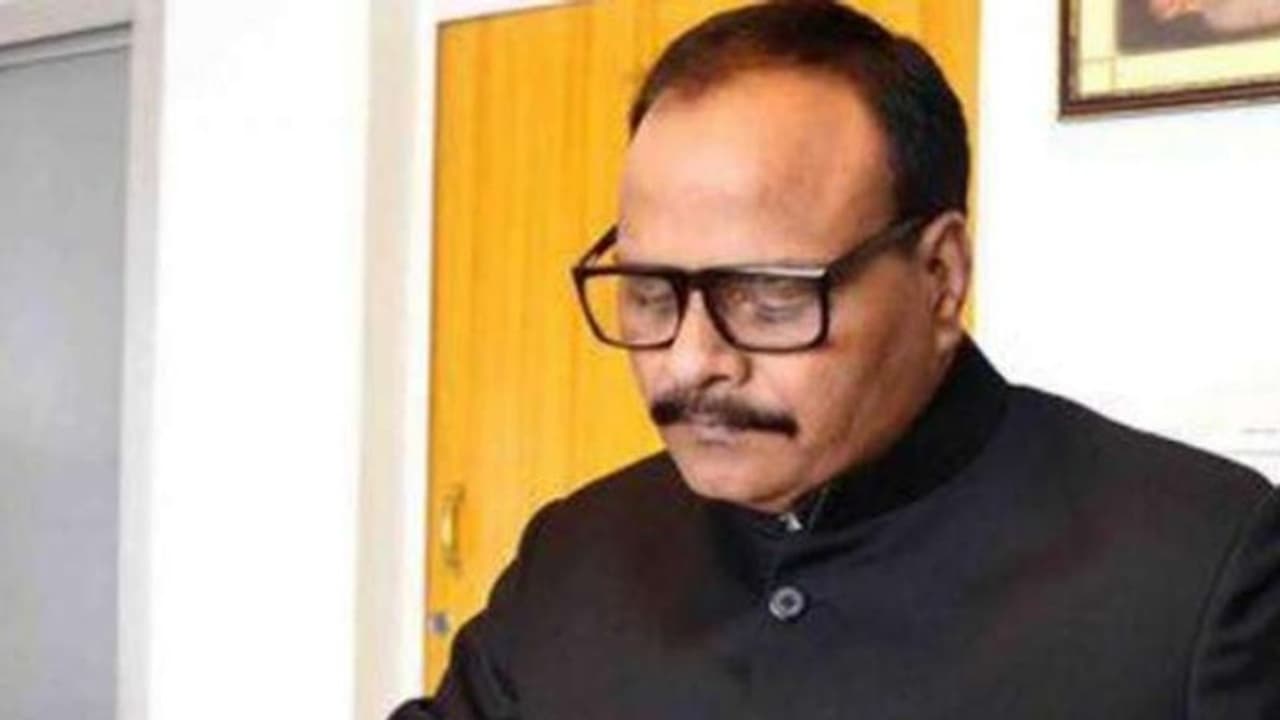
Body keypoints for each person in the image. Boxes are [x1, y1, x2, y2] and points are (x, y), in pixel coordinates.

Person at [392, 2, 1280, 717]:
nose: (690, 363)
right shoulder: (576, 553)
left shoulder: (1201, 567)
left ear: (940, 275)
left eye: (767, 295)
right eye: (652, 293)